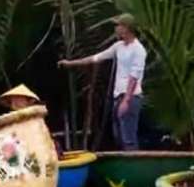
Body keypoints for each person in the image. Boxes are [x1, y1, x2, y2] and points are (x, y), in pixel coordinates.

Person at [59, 14, 147, 150]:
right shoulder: (119, 46)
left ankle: (133, 165)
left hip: (130, 97)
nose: (116, 29)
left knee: (128, 137)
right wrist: (71, 63)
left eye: (118, 26)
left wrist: (127, 100)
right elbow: (97, 58)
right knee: (118, 135)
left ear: (126, 28)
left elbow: (134, 76)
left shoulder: (138, 50)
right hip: (118, 96)